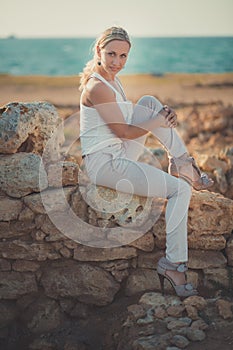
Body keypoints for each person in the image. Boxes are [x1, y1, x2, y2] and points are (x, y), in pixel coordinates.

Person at [79, 26, 213, 298]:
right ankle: (173, 265)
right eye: (111, 54)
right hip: (105, 164)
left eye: (123, 56)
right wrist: (157, 121)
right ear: (98, 51)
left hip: (119, 152)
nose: (117, 61)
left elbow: (128, 126)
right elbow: (124, 132)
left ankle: (181, 162)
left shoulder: (113, 81)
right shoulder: (97, 86)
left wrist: (160, 116)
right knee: (181, 190)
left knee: (151, 101)